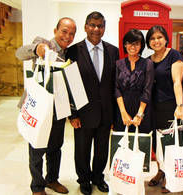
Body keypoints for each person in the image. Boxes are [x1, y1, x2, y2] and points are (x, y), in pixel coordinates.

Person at [15, 17, 77, 195]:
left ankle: (52, 179)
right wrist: (37, 49)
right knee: (36, 149)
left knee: (55, 148)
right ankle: (37, 186)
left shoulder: (70, 54)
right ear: (55, 30)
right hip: (39, 110)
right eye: (64, 31)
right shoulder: (43, 43)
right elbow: (19, 53)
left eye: (71, 33)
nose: (67, 36)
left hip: (58, 109)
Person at [66, 11, 119, 195]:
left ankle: (98, 177)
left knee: (102, 150)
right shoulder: (73, 51)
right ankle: (84, 179)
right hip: (83, 113)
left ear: (104, 28)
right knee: (82, 150)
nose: (96, 29)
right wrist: (72, 114)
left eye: (100, 26)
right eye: (92, 25)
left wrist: (115, 114)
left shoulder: (113, 51)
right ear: (85, 27)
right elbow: (69, 85)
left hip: (105, 112)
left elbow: (115, 84)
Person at [146, 25, 183, 194]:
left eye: (159, 37)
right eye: (153, 38)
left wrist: (179, 105)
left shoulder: (174, 55)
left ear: (166, 39)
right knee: (156, 142)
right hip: (152, 107)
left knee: (168, 143)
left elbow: (177, 81)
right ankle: (161, 170)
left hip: (169, 105)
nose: (156, 41)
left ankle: (170, 175)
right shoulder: (149, 59)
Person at [114, 28, 155, 133]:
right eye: (130, 43)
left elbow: (147, 90)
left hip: (142, 109)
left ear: (141, 46)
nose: (133, 47)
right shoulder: (118, 63)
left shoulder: (148, 63)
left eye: (136, 44)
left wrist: (139, 115)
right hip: (122, 109)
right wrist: (123, 113)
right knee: (122, 145)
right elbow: (116, 89)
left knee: (141, 145)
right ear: (124, 44)